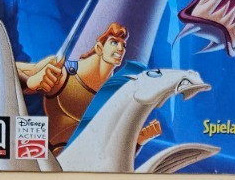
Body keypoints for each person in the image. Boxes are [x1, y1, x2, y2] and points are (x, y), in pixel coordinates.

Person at [16, 23, 162, 156]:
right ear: (99, 48)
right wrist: (30, 82)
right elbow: (8, 70)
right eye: (114, 42)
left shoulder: (112, 99)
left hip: (71, 166)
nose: (120, 49)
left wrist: (139, 141)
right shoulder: (61, 71)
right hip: (31, 152)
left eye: (123, 46)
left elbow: (111, 153)